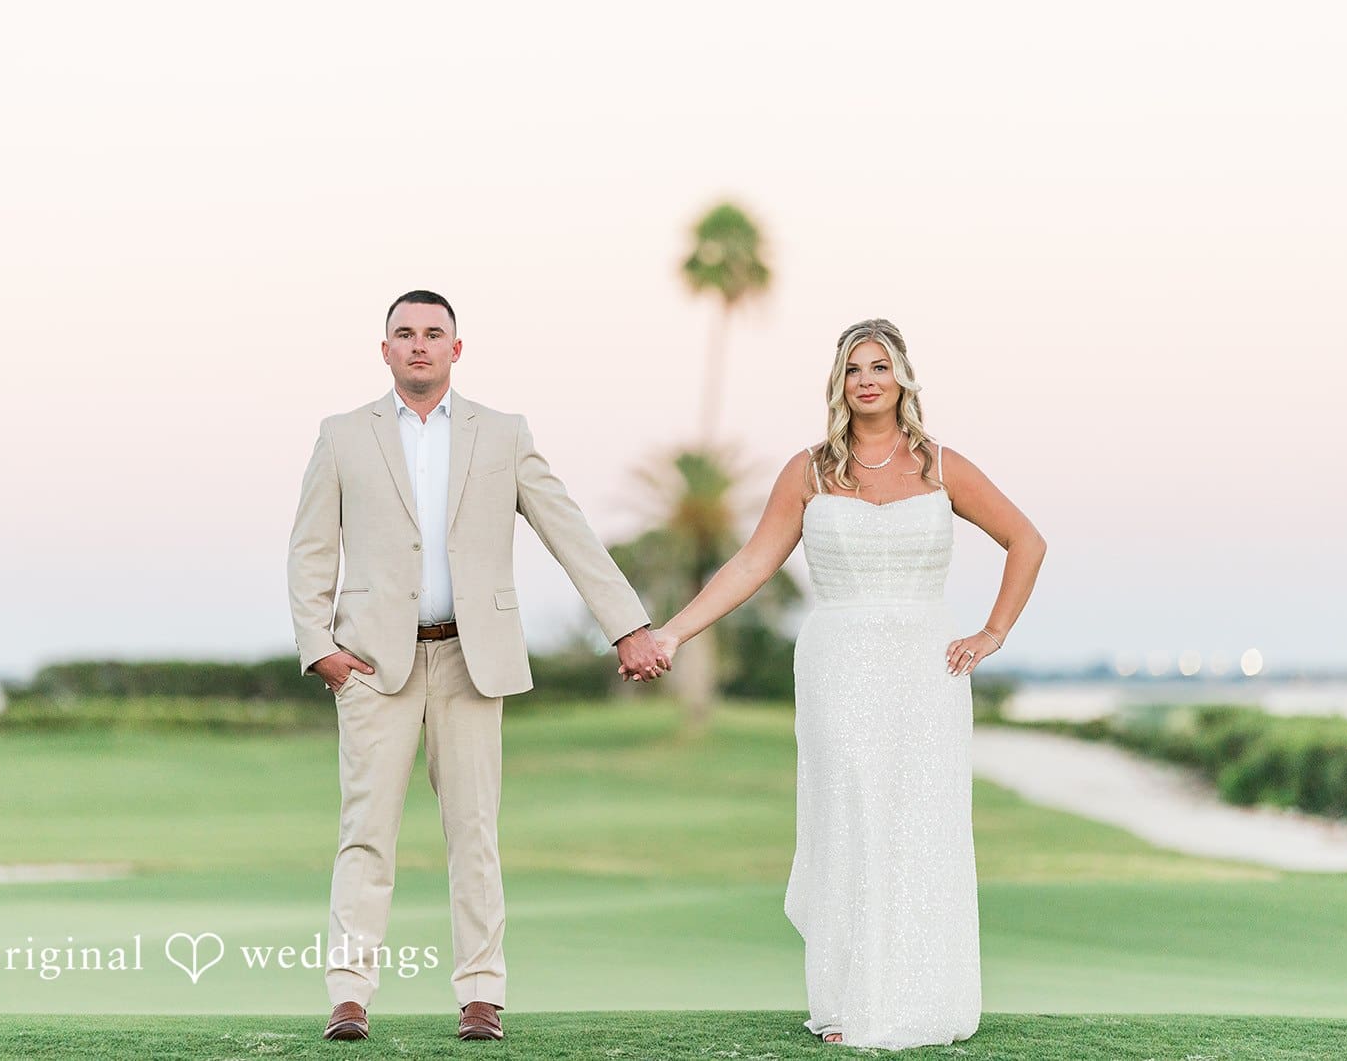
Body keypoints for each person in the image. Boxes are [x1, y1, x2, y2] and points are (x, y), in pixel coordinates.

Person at [286, 290, 670, 1043]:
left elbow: (568, 526)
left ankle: (482, 994)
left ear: (457, 349)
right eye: (405, 333)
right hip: (371, 665)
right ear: (385, 348)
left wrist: (627, 624)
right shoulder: (340, 436)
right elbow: (308, 550)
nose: (419, 344)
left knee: (474, 830)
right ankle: (350, 994)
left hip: (473, 658)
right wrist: (320, 647)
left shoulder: (503, 433)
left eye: (434, 333)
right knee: (366, 830)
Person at [652, 318, 1046, 1049]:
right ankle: (846, 998)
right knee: (851, 817)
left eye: (880, 366)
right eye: (853, 368)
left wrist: (993, 632)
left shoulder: (941, 465)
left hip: (928, 670)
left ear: (903, 378)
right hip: (839, 665)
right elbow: (748, 566)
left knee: (919, 822)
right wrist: (674, 631)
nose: (867, 379)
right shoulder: (808, 471)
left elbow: (1027, 539)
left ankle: (921, 997)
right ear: (838, 383)